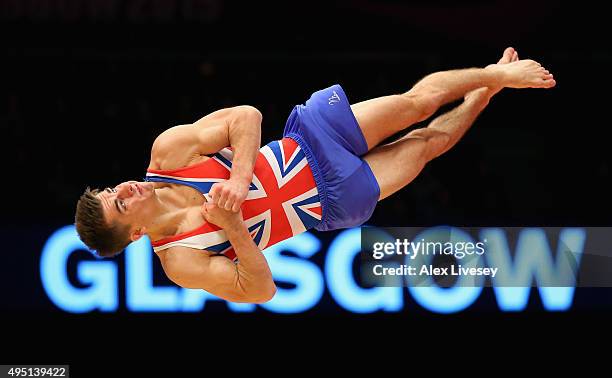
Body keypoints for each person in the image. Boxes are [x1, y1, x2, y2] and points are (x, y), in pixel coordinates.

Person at [75, 47, 555, 303]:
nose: (125, 189)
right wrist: (235, 228)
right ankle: (482, 95)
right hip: (329, 201)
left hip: (310, 140)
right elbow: (259, 291)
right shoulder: (179, 261)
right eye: (119, 204)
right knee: (429, 145)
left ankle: (494, 73)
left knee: (417, 103)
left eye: (110, 189)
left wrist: (241, 179)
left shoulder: (169, 154)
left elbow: (245, 116)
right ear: (136, 234)